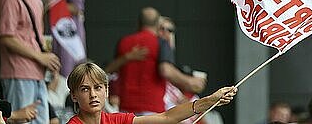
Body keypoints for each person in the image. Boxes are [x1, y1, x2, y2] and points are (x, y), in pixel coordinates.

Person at [0, 0, 60, 124]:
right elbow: (6, 37)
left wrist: (47, 60)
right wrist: (40, 56)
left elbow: (34, 38)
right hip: (17, 71)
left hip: (37, 73)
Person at [67, 62, 235, 124]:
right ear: (74, 95)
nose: (93, 95)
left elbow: (166, 117)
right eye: (84, 89)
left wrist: (210, 101)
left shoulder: (115, 120)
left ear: (106, 90)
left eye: (98, 88)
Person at [111, 8, 205, 114]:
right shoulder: (160, 43)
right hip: (151, 110)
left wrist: (126, 58)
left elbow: (111, 70)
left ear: (138, 23)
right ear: (157, 24)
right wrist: (190, 82)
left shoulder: (124, 42)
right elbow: (165, 70)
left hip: (125, 110)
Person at [48, 0, 86, 77]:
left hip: (68, 31)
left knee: (68, 66)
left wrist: (55, 4)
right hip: (56, 29)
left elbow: (78, 7)